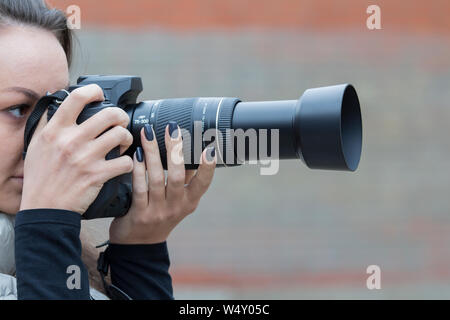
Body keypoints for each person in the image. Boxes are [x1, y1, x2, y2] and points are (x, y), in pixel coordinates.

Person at [0, 0, 216, 300]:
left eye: (60, 107)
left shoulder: (68, 255)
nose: (52, 135)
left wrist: (139, 250)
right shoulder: (49, 235)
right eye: (18, 109)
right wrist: (46, 221)